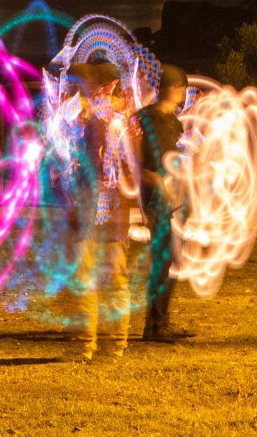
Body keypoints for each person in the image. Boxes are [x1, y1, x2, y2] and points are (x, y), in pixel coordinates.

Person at [61, 50, 130, 362]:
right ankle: (90, 344)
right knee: (93, 274)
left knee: (108, 274)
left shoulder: (121, 124)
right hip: (92, 205)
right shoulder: (80, 121)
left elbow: (128, 166)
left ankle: (108, 344)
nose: (86, 88)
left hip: (105, 206)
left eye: (93, 83)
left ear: (109, 85)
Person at [135, 63, 194, 343]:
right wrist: (159, 184)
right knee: (161, 261)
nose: (184, 93)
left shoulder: (175, 122)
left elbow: (182, 159)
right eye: (182, 87)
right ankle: (154, 326)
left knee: (171, 261)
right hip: (158, 201)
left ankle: (161, 322)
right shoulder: (145, 121)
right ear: (172, 88)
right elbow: (137, 165)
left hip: (177, 201)